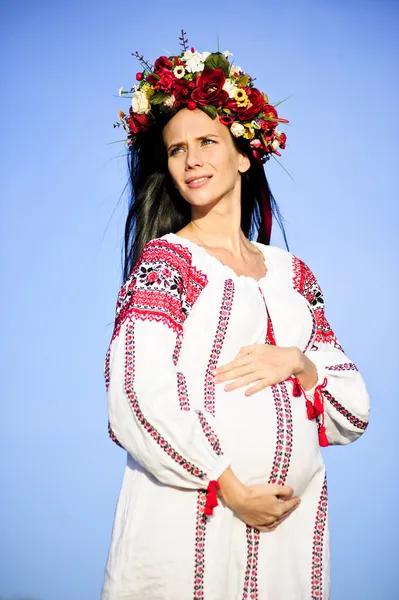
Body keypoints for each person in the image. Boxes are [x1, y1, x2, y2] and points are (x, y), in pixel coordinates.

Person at [101, 39, 370, 600]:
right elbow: (137, 395)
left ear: (245, 154)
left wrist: (299, 364)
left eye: (207, 142)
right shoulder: (166, 262)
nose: (192, 159)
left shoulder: (292, 274)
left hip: (285, 541)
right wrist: (228, 486)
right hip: (192, 520)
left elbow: (352, 406)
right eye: (177, 150)